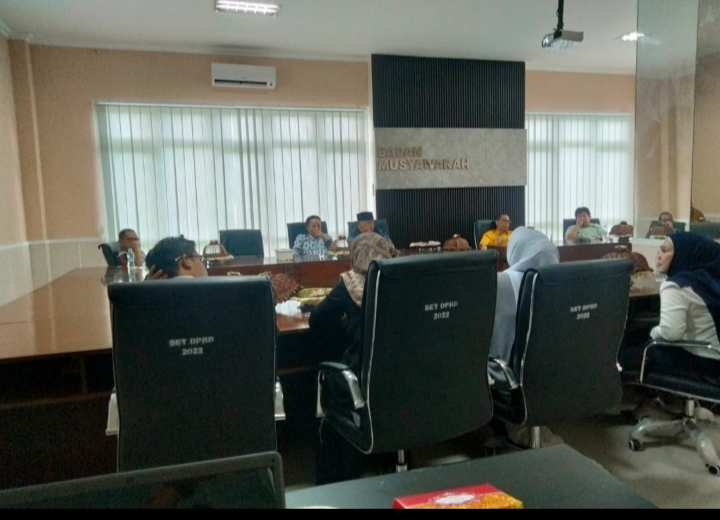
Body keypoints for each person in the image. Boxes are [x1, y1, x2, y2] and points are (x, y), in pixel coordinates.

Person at [310, 233, 393, 485]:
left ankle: (341, 471)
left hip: (360, 376)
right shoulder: (397, 278)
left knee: (330, 380)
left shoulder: (351, 282)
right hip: (395, 375)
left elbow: (317, 319)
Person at [619, 233, 720, 382]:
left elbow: (671, 333)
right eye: (659, 250)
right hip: (715, 356)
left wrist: (652, 331)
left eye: (665, 250)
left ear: (683, 254)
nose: (658, 256)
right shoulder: (709, 280)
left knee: (623, 354)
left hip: (702, 361)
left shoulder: (675, 285)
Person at [489, 227, 560, 363]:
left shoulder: (498, 282)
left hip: (506, 367)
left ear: (514, 251)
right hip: (554, 363)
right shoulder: (563, 283)